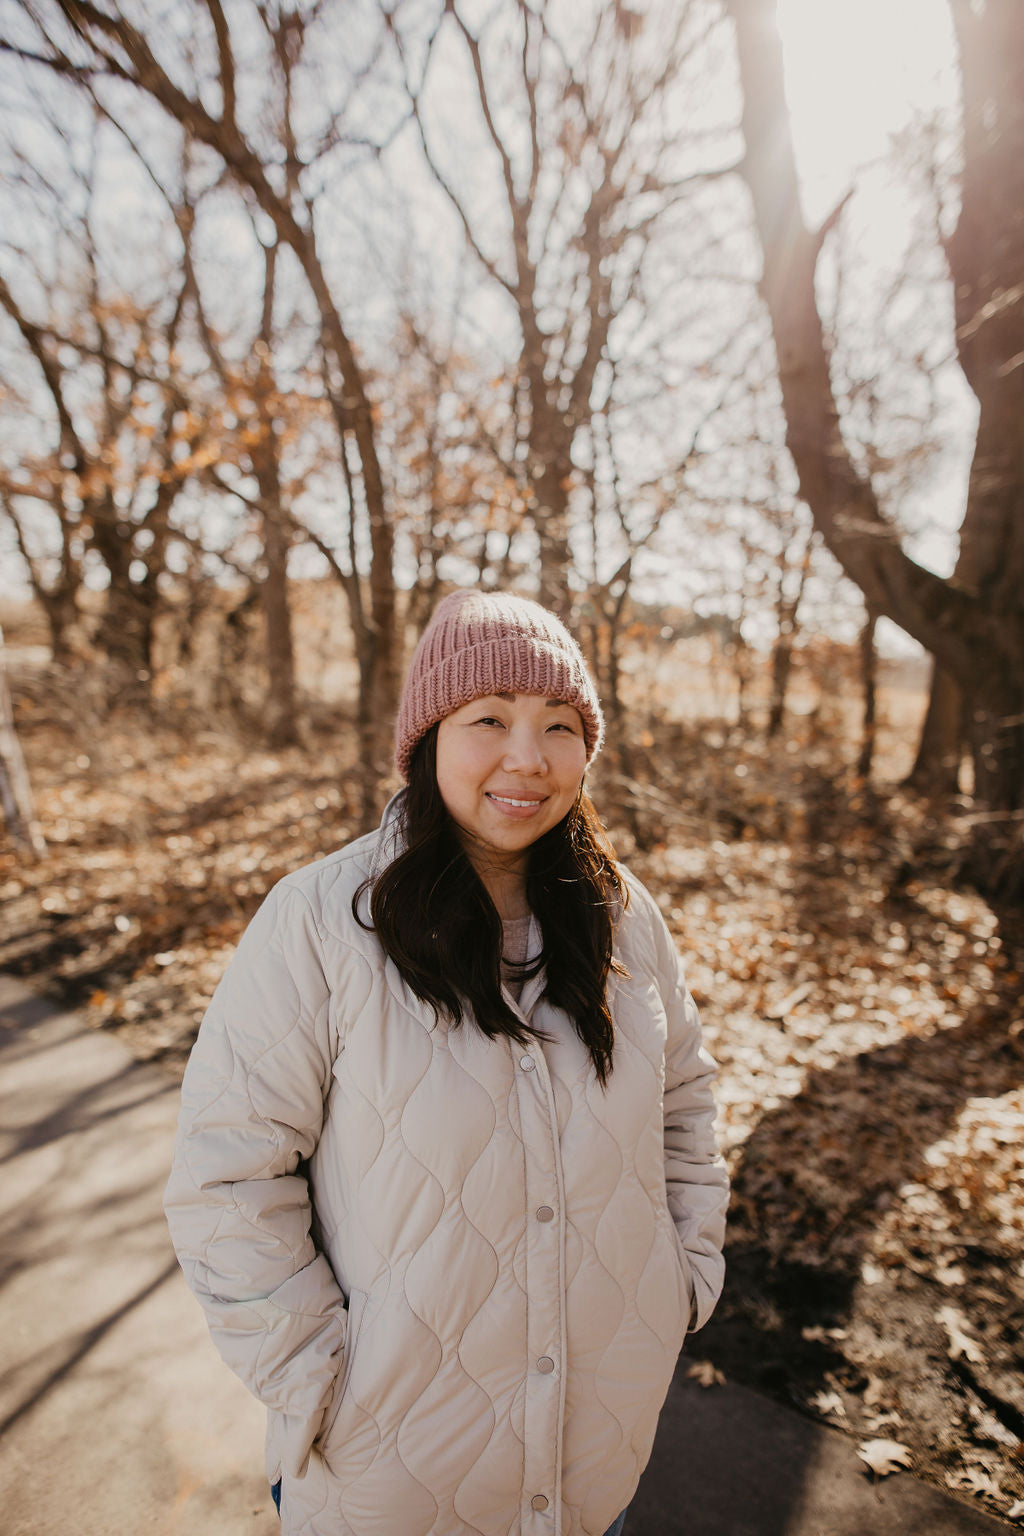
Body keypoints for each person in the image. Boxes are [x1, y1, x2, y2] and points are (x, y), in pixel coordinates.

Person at [164, 588, 729, 1536]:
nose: (527, 756)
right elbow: (226, 1175)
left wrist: (685, 1277)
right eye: (489, 719)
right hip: (384, 1471)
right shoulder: (320, 921)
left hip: (594, 1459)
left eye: (559, 724)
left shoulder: (623, 913)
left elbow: (685, 1100)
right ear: (428, 737)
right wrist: (317, 1381)